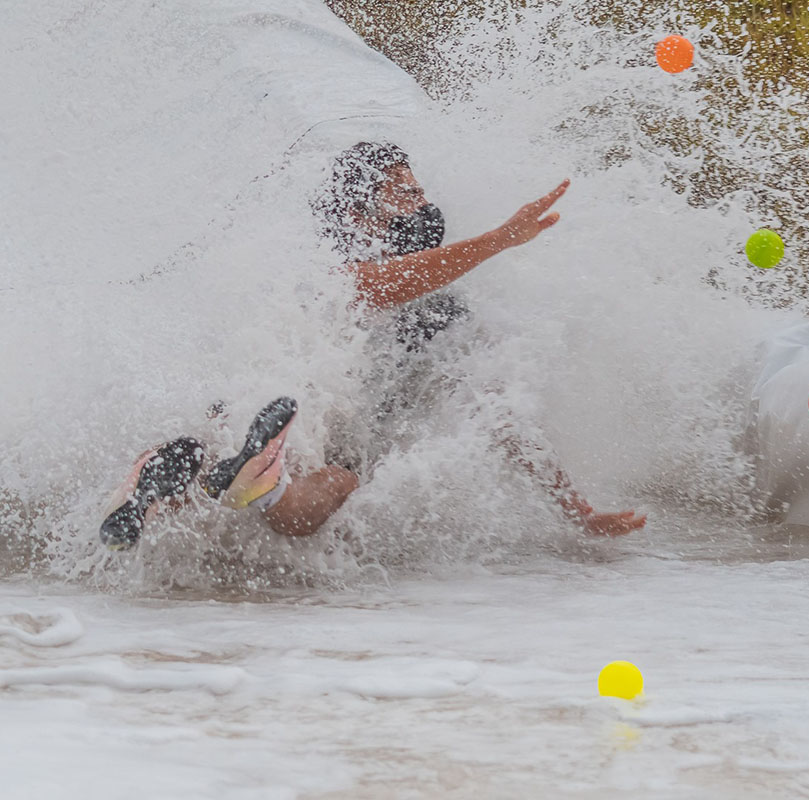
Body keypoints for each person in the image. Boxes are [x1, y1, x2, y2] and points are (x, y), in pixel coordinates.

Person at [100, 142, 646, 550]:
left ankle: (157, 491)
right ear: (360, 213)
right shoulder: (322, 272)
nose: (425, 204)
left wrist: (579, 510)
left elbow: (500, 411)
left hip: (285, 422)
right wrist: (497, 240)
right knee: (320, 485)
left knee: (247, 456)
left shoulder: (437, 312)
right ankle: (237, 482)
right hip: (292, 408)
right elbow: (381, 284)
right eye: (407, 194)